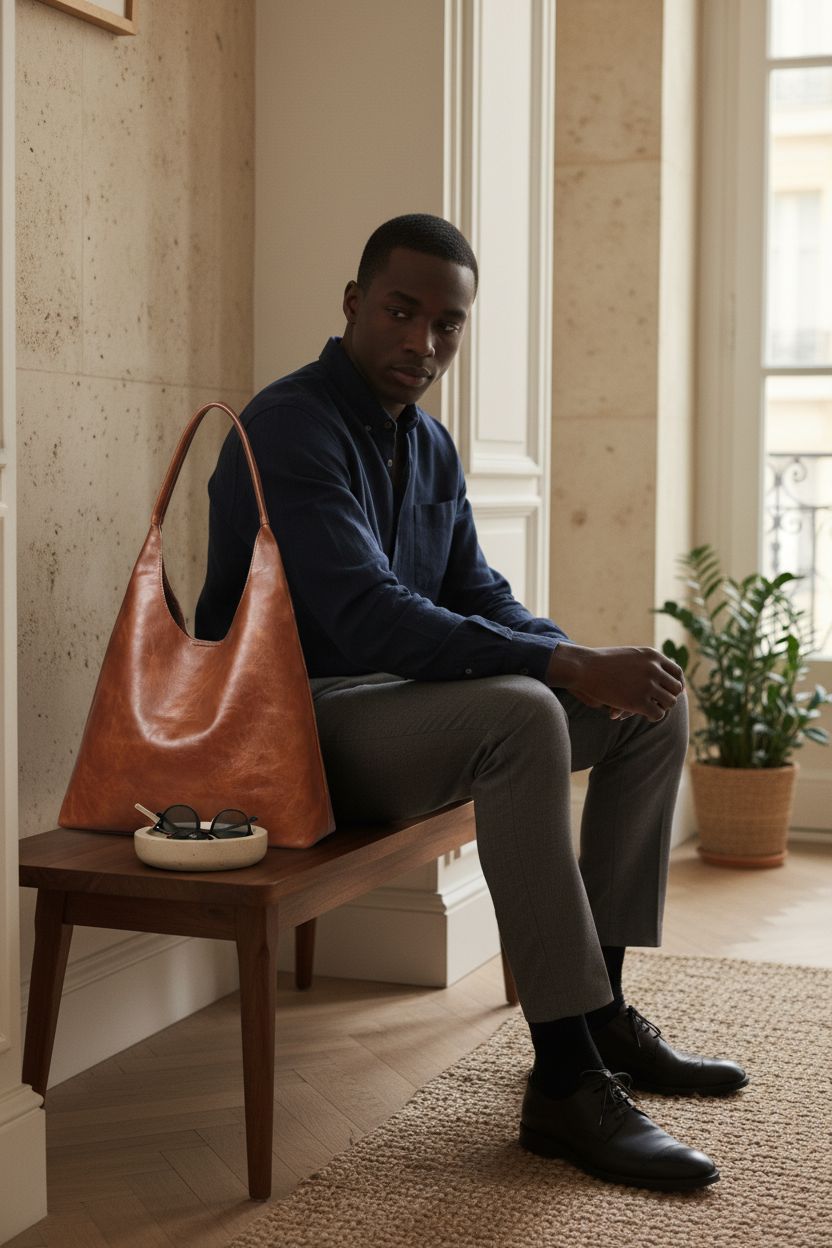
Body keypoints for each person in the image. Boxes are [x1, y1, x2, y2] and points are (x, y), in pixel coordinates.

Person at [196, 213, 747, 1192]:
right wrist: (564, 666)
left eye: (446, 324)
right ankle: (564, 1080)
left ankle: (600, 1019)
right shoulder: (287, 429)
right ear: (353, 303)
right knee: (525, 714)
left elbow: (475, 593)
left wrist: (586, 661)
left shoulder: (430, 443)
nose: (423, 341)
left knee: (650, 705)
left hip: (393, 713)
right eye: (401, 312)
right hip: (287, 731)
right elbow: (371, 618)